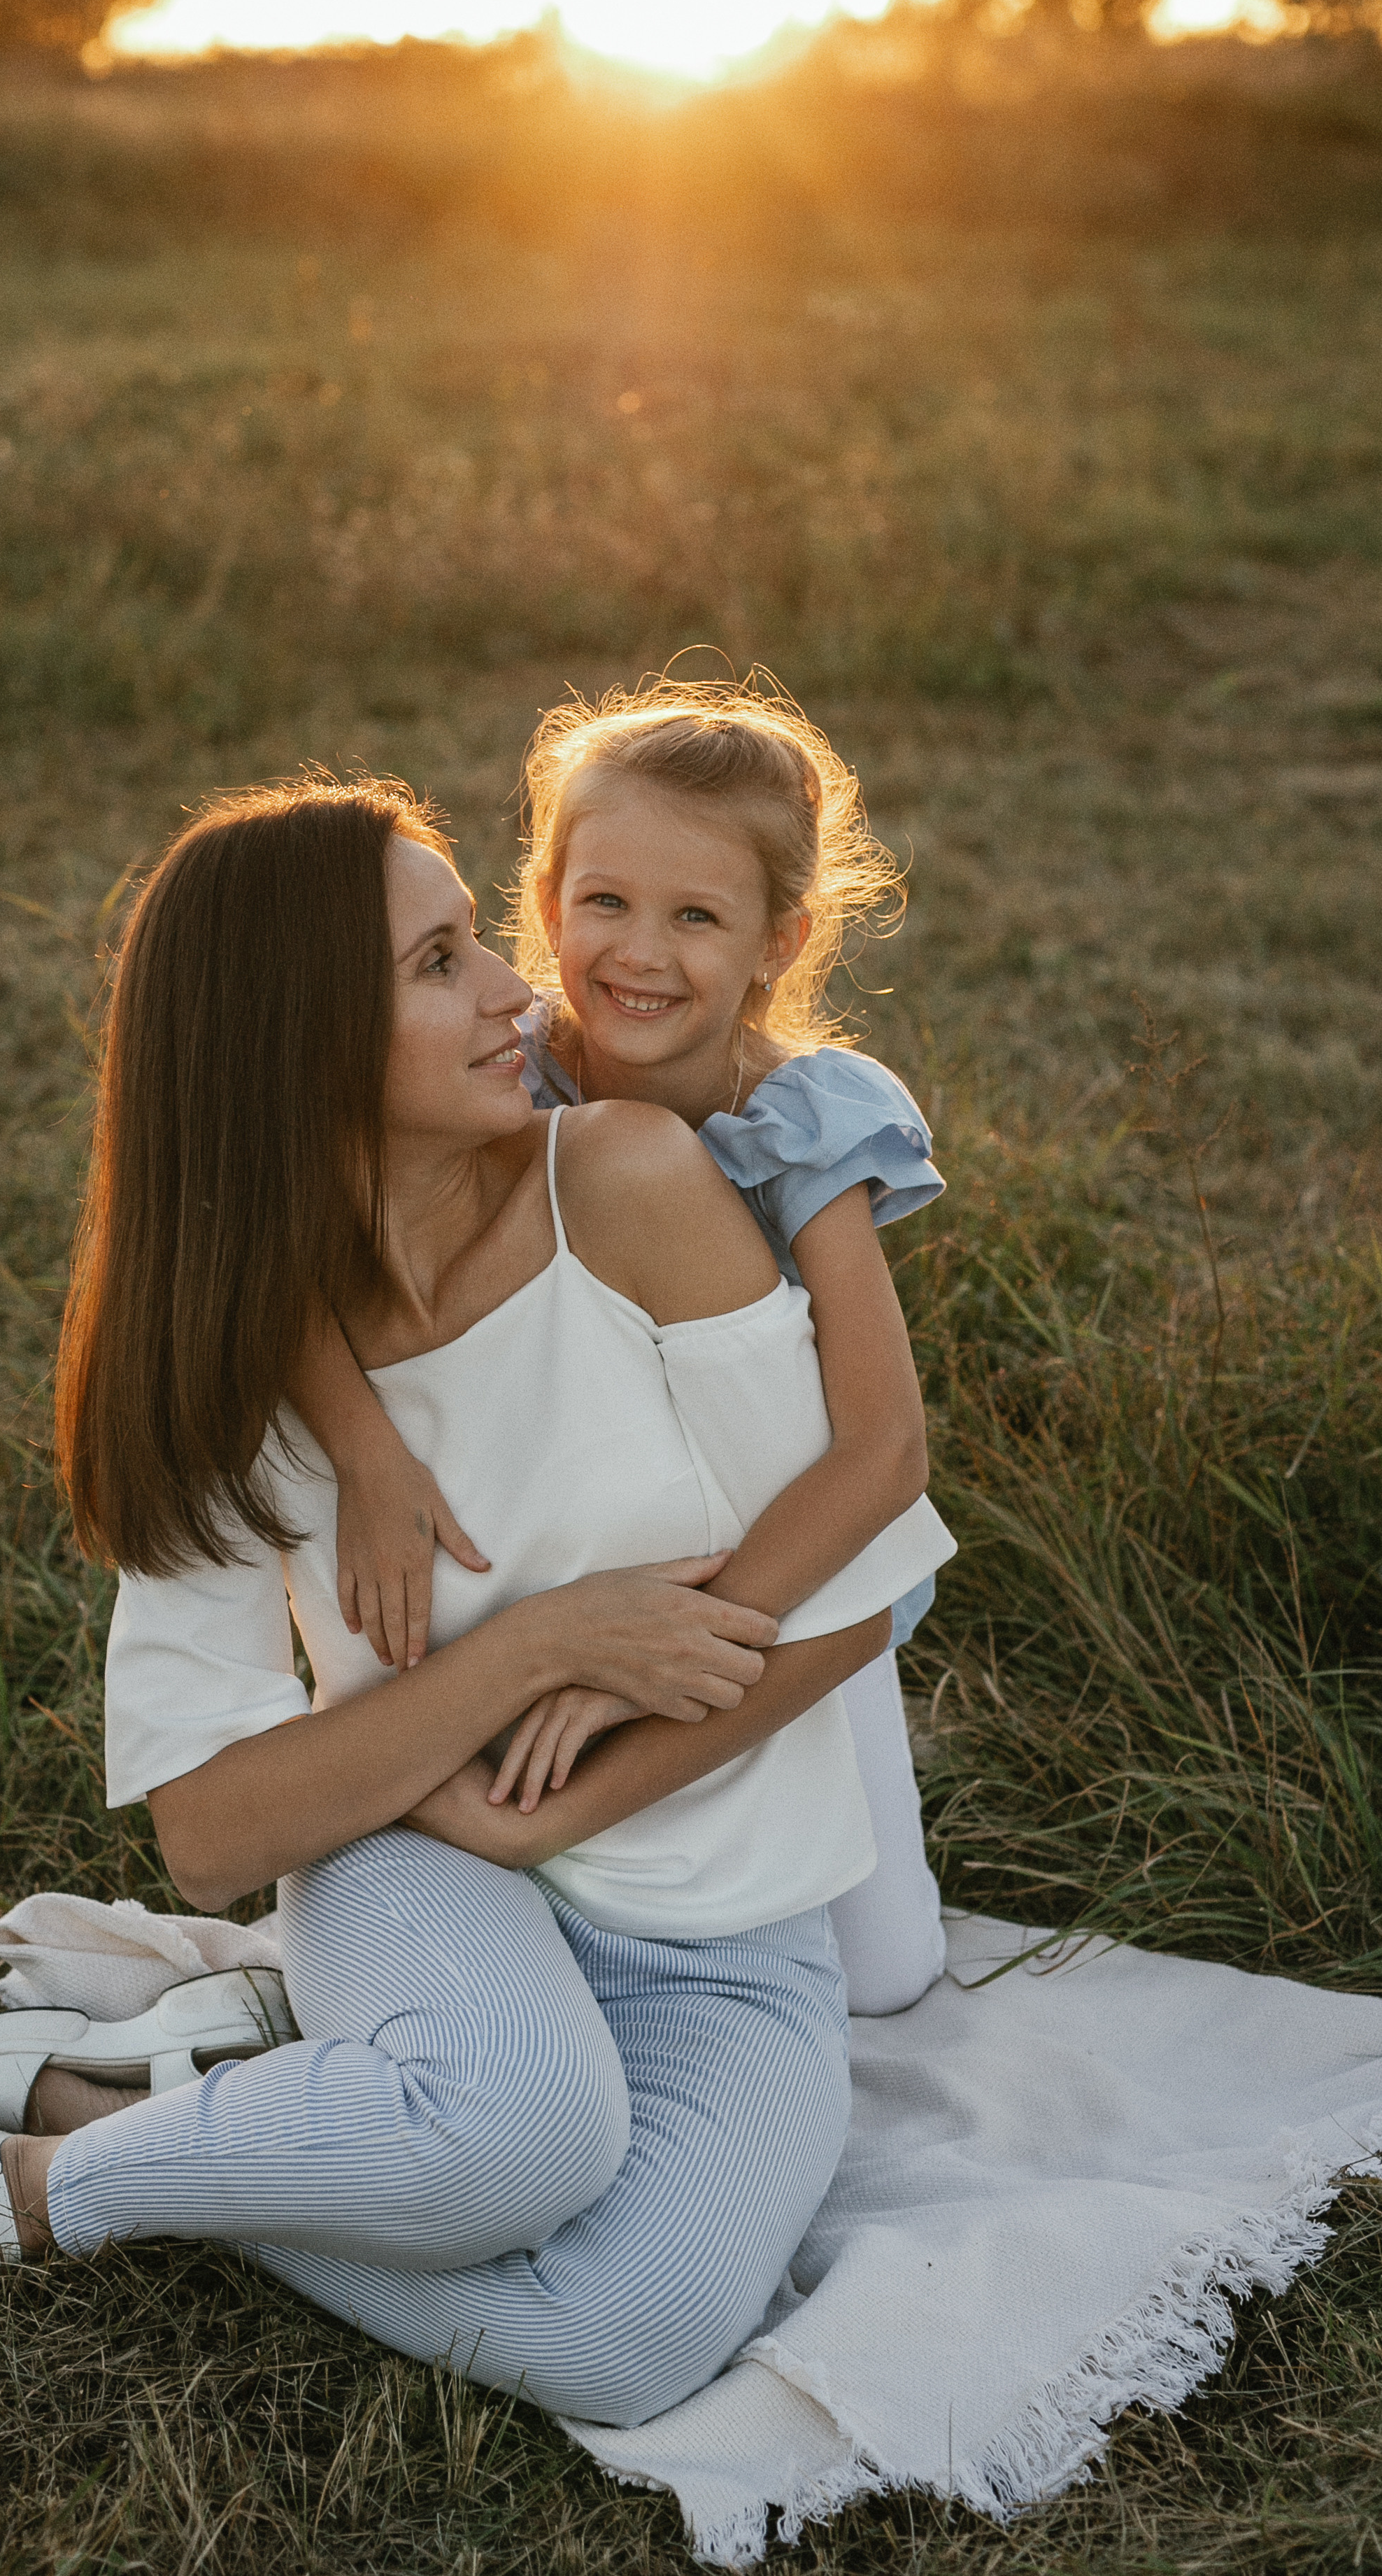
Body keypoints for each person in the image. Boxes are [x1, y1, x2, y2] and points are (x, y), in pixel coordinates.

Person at [0, 781, 950, 2424]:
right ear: (297, 1039)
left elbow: (859, 1602)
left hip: (723, 1941)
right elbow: (214, 1830)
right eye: (444, 962)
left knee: (625, 2343)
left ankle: (149, 2125)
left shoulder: (629, 1181)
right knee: (525, 2134)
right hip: (416, 1869)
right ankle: (9, 2199)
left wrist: (564, 1810)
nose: (525, 991)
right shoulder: (237, 1361)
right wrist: (541, 1645)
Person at [292, 680, 952, 2014]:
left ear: (780, 938)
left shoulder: (801, 1119)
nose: (639, 954)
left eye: (696, 916)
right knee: (573, 1872)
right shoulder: (501, 1069)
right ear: (544, 901)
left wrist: (665, 1666)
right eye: (605, 903)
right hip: (597, 1525)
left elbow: (881, 1453)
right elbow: (286, 1262)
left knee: (887, 1977)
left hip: (798, 1562)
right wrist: (365, 1452)